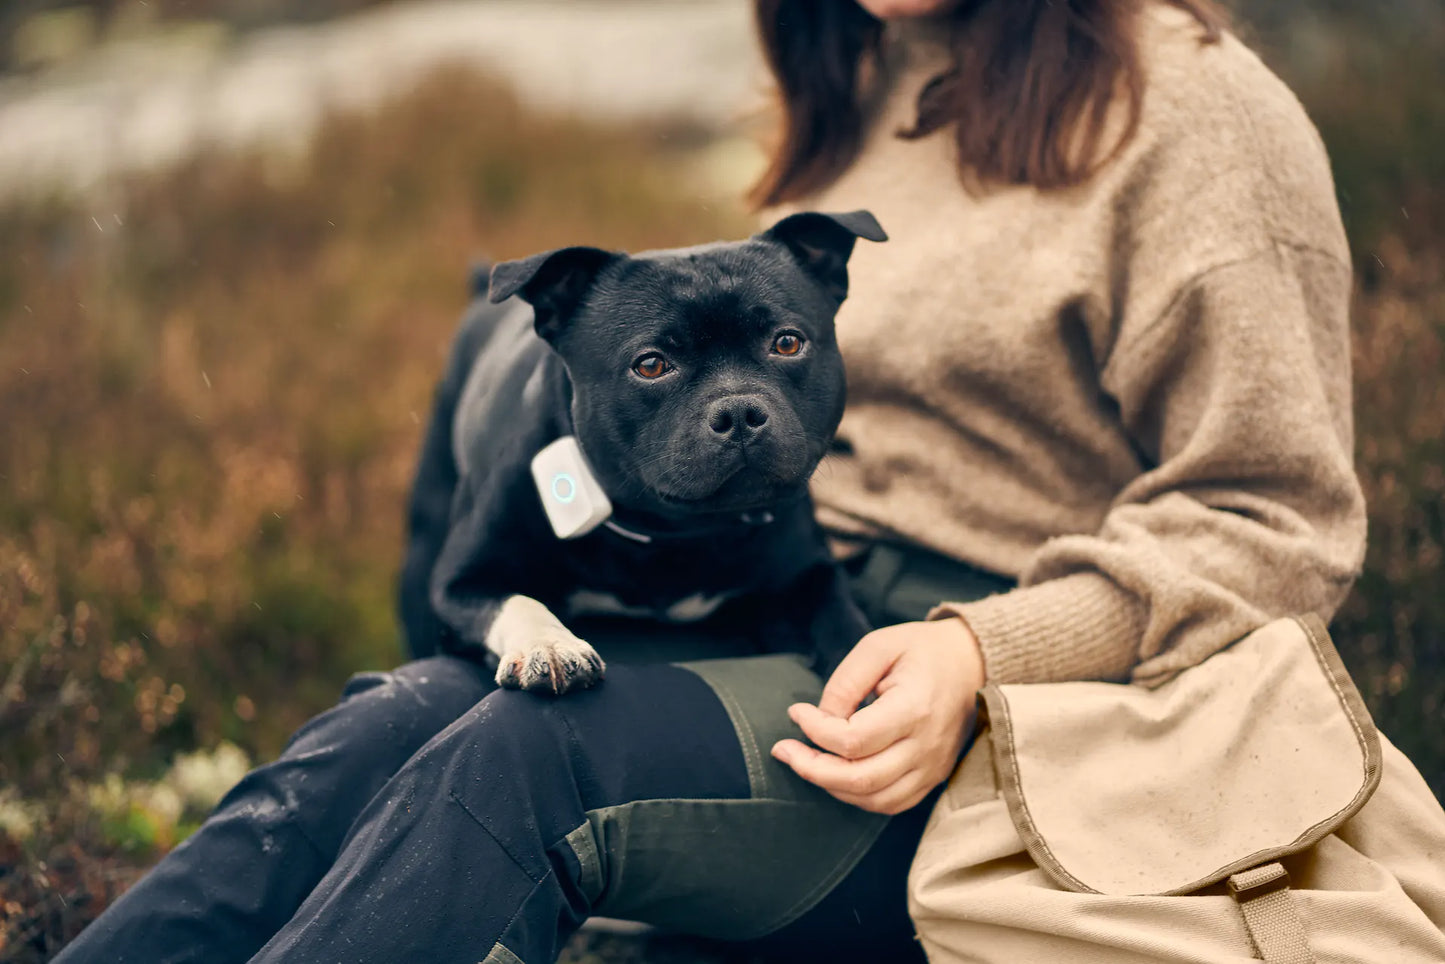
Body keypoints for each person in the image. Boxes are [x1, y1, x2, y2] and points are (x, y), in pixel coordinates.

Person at [55, 0, 1445, 962]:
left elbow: (1276, 521)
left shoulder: (1202, 118)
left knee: (527, 758)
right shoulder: (881, 78)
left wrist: (979, 652)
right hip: (788, 615)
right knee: (389, 726)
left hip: (1017, 732)